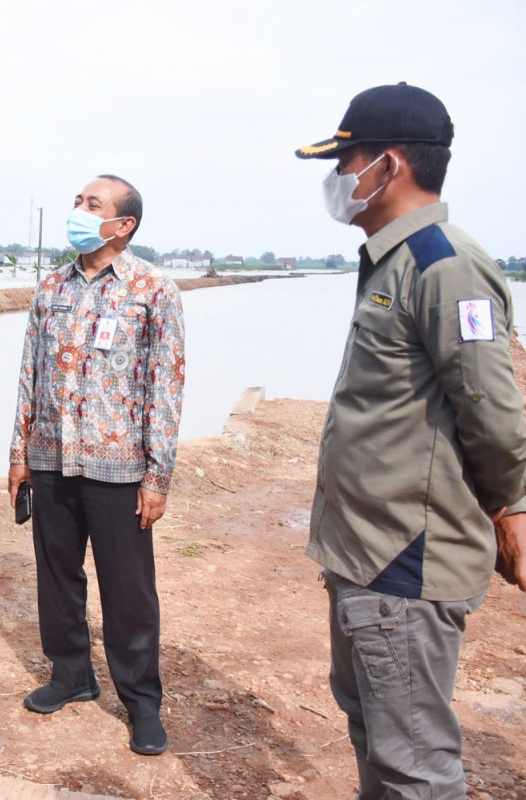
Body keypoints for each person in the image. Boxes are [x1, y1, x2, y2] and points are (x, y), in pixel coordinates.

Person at [295, 82, 526, 799]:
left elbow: (491, 408)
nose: (337, 180)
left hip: (403, 562)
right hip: (365, 552)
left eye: (346, 161)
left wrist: (512, 507)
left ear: (388, 165)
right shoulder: (391, 261)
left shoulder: (443, 265)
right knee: (374, 729)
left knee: (414, 764)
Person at [8, 175, 185, 756]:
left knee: (129, 590)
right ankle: (71, 676)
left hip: (120, 470)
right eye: (77, 202)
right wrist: (20, 455)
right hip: (52, 459)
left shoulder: (152, 289)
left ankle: (141, 702)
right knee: (58, 575)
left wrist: (157, 476)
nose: (78, 212)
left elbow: (166, 385)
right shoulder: (51, 288)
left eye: (92, 205)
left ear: (123, 224)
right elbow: (29, 376)